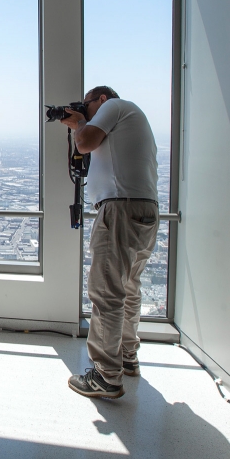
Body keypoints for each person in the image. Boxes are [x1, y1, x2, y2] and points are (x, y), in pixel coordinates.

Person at [59, 86, 159, 399]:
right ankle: (128, 356)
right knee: (129, 288)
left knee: (106, 291)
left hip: (119, 209)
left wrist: (78, 124)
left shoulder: (113, 106)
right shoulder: (131, 116)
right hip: (144, 209)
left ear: (101, 99)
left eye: (86, 104)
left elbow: (86, 142)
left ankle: (105, 375)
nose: (85, 109)